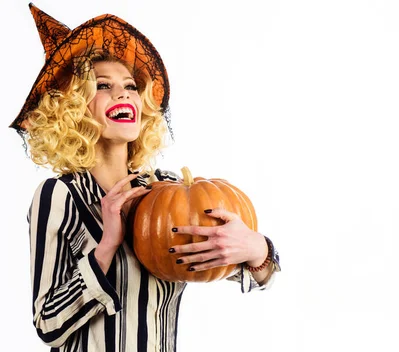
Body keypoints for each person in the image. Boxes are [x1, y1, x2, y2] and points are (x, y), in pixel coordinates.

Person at [9, 4, 280, 352]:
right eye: (103, 85)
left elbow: (249, 274)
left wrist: (257, 249)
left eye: (131, 86)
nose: (123, 94)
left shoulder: (165, 189)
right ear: (73, 108)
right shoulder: (58, 195)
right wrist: (106, 246)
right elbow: (47, 324)